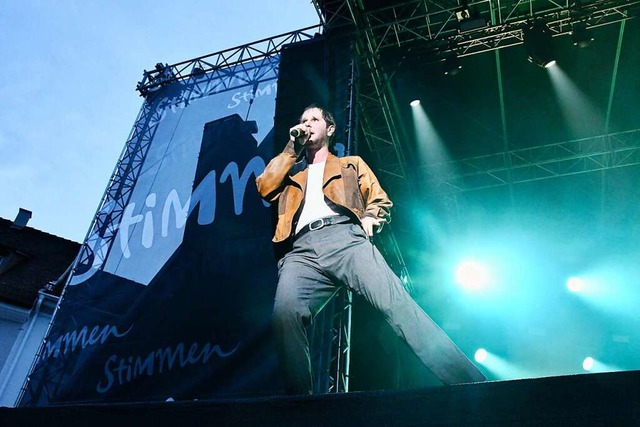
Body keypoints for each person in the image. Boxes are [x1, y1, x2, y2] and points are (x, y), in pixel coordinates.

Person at [256, 104, 485, 395]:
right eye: (303, 120)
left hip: (345, 238)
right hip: (301, 252)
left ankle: (472, 383)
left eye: (314, 119)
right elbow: (264, 187)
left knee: (397, 304)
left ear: (330, 129)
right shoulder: (292, 175)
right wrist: (292, 147)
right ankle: (302, 407)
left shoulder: (350, 164)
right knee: (285, 314)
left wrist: (370, 218)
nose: (308, 124)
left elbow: (379, 199)